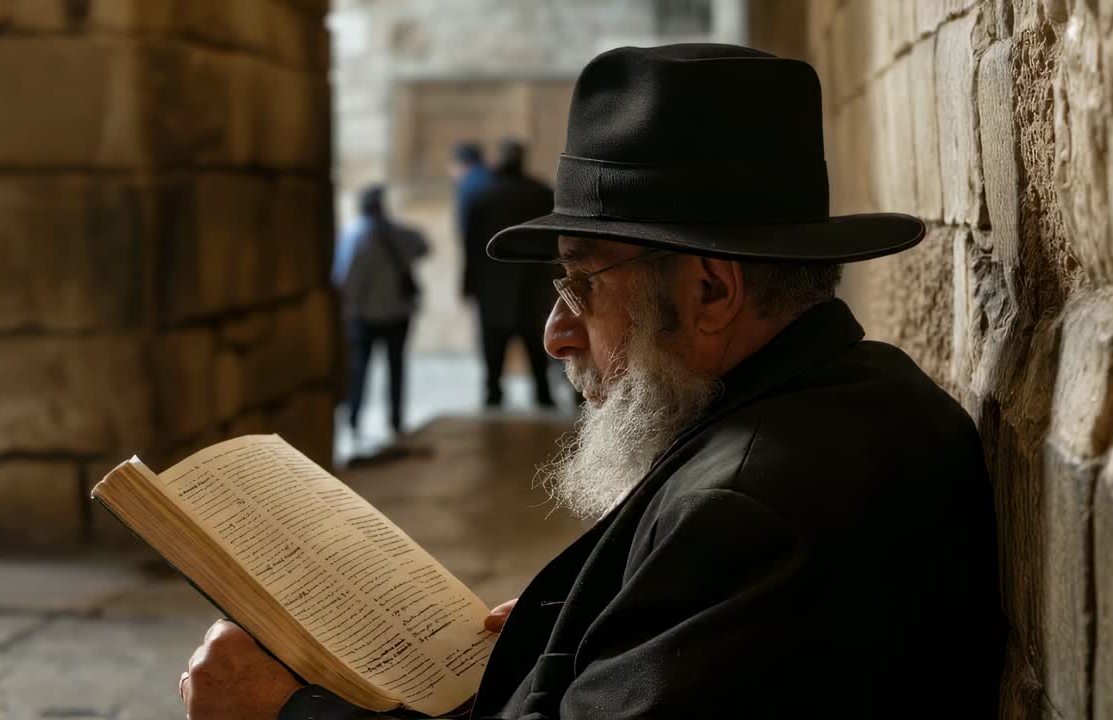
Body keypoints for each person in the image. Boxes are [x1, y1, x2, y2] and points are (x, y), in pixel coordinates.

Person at [180, 44, 1008, 719]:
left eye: (582, 285)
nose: (555, 333)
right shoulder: (857, 389)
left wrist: (287, 715)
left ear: (712, 292)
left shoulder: (753, 506)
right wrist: (576, 628)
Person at [463, 139, 558, 408]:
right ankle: (543, 393)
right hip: (533, 283)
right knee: (536, 340)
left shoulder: (482, 196)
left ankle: (493, 391)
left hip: (492, 286)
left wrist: (468, 284)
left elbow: (471, 246)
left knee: (493, 344)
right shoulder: (541, 193)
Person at [331, 184, 427, 437]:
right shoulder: (397, 232)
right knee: (396, 368)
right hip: (398, 313)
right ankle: (395, 420)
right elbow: (423, 246)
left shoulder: (354, 236)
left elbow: (347, 280)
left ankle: (353, 420)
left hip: (364, 316)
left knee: (360, 370)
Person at [450, 141, 492, 246]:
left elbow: (465, 226)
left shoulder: (467, 185)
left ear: (461, 164)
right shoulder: (493, 176)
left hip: (481, 248)